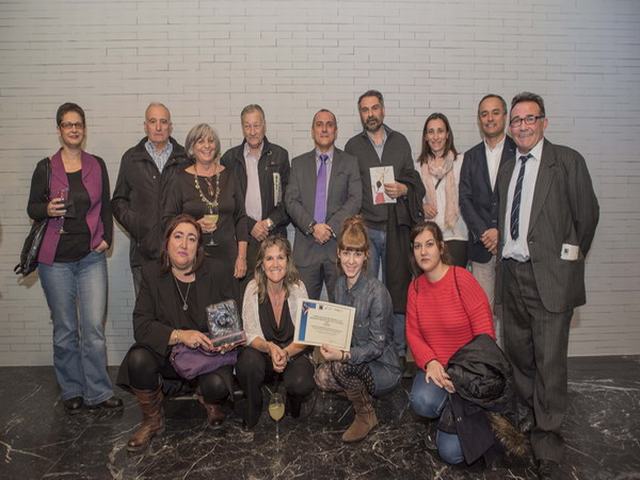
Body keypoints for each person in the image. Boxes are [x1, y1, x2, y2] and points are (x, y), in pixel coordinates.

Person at [496, 92, 599, 479]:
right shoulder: (508, 168)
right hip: (513, 275)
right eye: (517, 120)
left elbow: (587, 218)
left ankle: (549, 441)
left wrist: (565, 263)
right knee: (520, 355)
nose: (522, 126)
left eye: (530, 119)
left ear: (544, 122)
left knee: (550, 361)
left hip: (550, 280)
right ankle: (528, 418)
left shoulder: (567, 162)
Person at [27, 102, 121, 414]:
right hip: (54, 261)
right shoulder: (45, 167)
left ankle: (98, 391)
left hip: (90, 257)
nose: (74, 129)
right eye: (67, 125)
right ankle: (71, 389)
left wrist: (107, 237)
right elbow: (32, 208)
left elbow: (106, 206)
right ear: (59, 130)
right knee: (66, 328)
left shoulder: (97, 164)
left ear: (84, 128)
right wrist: (47, 209)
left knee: (93, 328)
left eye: (78, 124)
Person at [116, 214, 239, 452]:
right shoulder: (153, 275)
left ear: (198, 247)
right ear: (167, 242)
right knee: (138, 358)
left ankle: (207, 397)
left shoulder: (216, 271)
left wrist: (225, 340)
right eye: (178, 236)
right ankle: (152, 420)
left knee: (217, 386)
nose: (184, 244)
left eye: (191, 239)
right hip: (169, 356)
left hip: (206, 357)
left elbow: (229, 323)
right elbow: (141, 325)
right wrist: (181, 335)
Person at [344, 90, 425, 368]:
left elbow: (412, 178)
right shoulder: (353, 146)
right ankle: (365, 349)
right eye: (365, 110)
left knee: (397, 291)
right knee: (365, 291)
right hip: (366, 230)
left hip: (395, 229)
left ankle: (399, 351)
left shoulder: (400, 141)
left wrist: (403, 188)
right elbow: (350, 187)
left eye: (374, 108)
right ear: (360, 114)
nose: (370, 114)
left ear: (383, 110)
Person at [406, 221, 495, 464]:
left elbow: (485, 335)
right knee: (421, 401)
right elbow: (413, 334)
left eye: (429, 244)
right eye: (417, 246)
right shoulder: (414, 288)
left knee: (453, 454)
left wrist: (461, 375)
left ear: (441, 247)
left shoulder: (462, 279)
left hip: (468, 372)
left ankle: (467, 412)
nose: (423, 251)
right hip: (437, 370)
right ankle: (448, 412)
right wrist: (431, 362)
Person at [315, 216, 401, 443]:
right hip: (358, 360)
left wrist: (343, 355)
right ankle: (363, 399)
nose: (351, 261)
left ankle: (366, 415)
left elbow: (377, 347)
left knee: (340, 368)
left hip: (384, 367)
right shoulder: (340, 285)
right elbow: (341, 330)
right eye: (346, 253)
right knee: (321, 376)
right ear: (339, 254)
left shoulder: (377, 292)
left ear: (366, 256)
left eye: (357, 254)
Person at [235, 236, 315, 428]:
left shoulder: (298, 288)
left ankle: (293, 401)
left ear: (288, 262)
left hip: (292, 353)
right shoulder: (252, 288)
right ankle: (253, 405)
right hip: (263, 354)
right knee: (247, 363)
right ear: (262, 264)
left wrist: (285, 353)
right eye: (269, 258)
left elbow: (306, 335)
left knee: (302, 382)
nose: (275, 264)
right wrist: (270, 348)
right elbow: (250, 334)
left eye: (280, 257)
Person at [112, 102, 188, 296]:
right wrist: (139, 225)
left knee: (179, 312)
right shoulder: (131, 158)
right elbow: (118, 200)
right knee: (146, 315)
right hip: (142, 252)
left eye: (163, 122)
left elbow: (191, 200)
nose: (158, 127)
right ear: (145, 125)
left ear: (170, 126)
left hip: (179, 252)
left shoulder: (185, 158)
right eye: (153, 121)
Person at [284, 109, 361, 301]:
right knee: (303, 313)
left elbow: (355, 199)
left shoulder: (350, 162)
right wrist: (312, 227)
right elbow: (290, 201)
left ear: (336, 130)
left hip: (338, 250)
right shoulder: (298, 164)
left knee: (342, 311)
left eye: (329, 124)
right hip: (306, 250)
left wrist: (330, 228)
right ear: (312, 131)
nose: (324, 129)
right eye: (319, 124)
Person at [162, 123, 248, 287]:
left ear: (216, 146)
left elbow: (241, 218)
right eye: (200, 141)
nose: (207, 146)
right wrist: (193, 226)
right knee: (198, 307)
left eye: (211, 141)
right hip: (194, 258)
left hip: (228, 259)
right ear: (192, 148)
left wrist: (241, 257)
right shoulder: (179, 179)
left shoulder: (230, 175)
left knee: (227, 309)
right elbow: (167, 220)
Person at [459, 95, 516, 341]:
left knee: (514, 313)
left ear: (505, 116)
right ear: (479, 119)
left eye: (495, 113)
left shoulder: (520, 151)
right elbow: (465, 198)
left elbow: (521, 201)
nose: (489, 118)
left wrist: (500, 231)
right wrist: (485, 232)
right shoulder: (471, 156)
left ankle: (513, 368)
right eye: (484, 114)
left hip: (513, 247)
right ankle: (490, 367)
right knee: (484, 312)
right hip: (483, 247)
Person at [220, 104, 290, 292]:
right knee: (246, 294)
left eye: (256, 125)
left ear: (264, 125)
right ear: (242, 127)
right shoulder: (229, 159)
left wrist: (266, 224)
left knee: (276, 294)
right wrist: (251, 226)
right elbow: (228, 203)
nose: (252, 131)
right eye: (247, 126)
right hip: (244, 240)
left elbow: (287, 202)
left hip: (274, 237)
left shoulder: (280, 156)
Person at [416, 113, 468, 268]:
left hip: (457, 235)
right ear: (425, 137)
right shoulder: (418, 167)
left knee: (454, 286)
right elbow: (414, 200)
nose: (435, 136)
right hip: (430, 238)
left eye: (440, 131)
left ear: (447, 135)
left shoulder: (461, 162)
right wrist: (422, 206)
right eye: (431, 132)